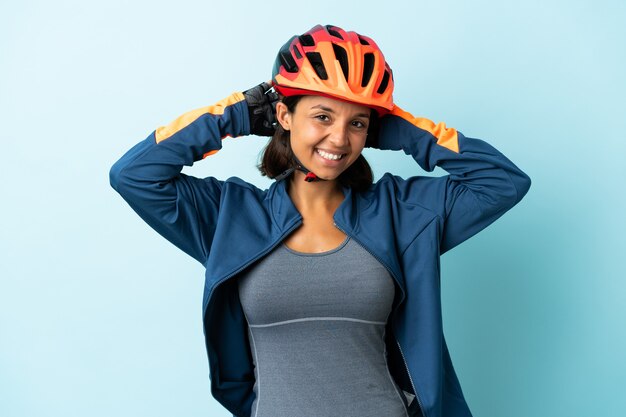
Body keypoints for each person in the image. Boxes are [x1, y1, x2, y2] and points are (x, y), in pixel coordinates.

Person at [110, 24, 531, 417]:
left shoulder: (402, 213)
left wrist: (400, 130)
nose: (339, 139)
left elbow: (502, 183)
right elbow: (134, 175)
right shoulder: (229, 217)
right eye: (323, 117)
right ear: (285, 116)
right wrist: (236, 115)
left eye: (357, 124)